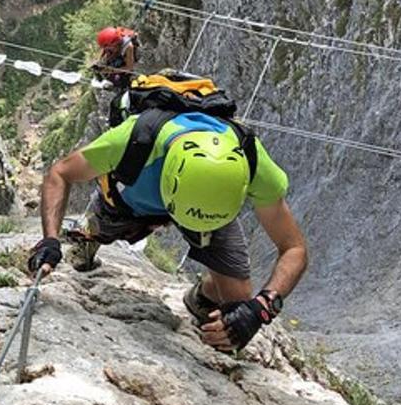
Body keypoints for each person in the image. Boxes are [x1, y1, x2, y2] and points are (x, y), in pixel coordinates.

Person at [27, 108, 308, 354]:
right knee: (105, 226)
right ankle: (92, 237)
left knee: (236, 308)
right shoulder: (133, 139)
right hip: (133, 200)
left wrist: (262, 307)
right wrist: (49, 239)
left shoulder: (253, 162)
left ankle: (201, 297)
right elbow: (60, 173)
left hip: (205, 209)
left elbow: (294, 249)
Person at [94, 27, 139, 125]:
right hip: (118, 56)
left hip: (127, 63)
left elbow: (129, 68)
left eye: (108, 47)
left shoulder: (128, 47)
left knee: (121, 81)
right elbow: (105, 52)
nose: (106, 49)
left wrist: (109, 70)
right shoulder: (113, 44)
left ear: (114, 44)